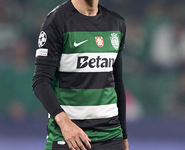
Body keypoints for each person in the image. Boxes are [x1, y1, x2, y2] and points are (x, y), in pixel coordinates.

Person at [32, 0, 129, 149]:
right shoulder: (57, 20)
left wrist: (124, 136)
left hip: (111, 137)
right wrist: (65, 124)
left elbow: (117, 83)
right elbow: (40, 81)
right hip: (69, 137)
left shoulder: (116, 23)